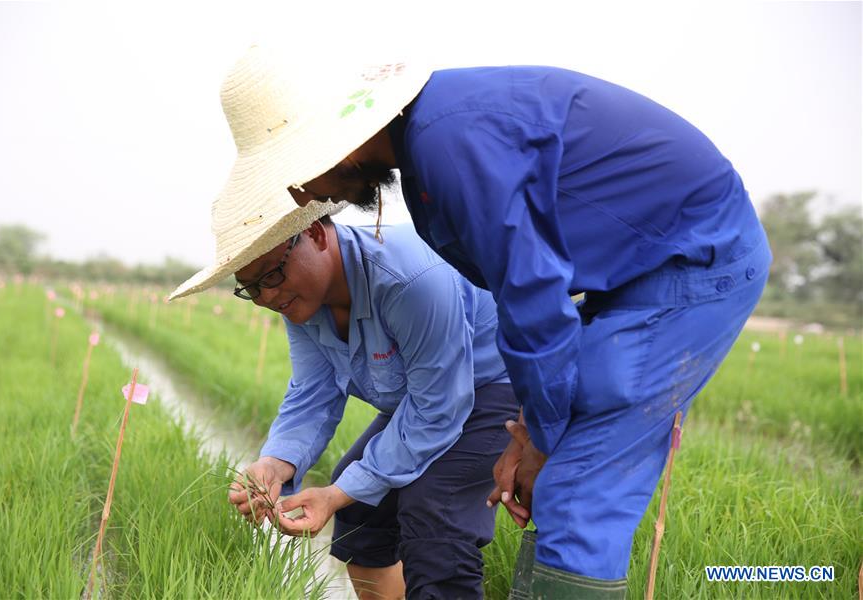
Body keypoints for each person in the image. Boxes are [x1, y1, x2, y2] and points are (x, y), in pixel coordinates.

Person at [170, 46, 772, 598]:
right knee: (379, 516)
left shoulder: (447, 153)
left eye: (295, 177)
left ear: (334, 143)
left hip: (690, 260)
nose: (303, 198)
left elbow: (530, 300)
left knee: (561, 495)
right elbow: (315, 387)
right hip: (625, 280)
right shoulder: (428, 157)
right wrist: (282, 462)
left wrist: (536, 440)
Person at [204, 212, 518, 599]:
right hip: (425, 399)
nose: (267, 297)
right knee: (361, 512)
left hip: (498, 385)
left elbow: (438, 409)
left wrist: (335, 494)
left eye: (271, 275)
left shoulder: (408, 280)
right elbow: (313, 391)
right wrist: (275, 463)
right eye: (250, 288)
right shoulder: (301, 300)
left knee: (434, 510)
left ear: (316, 233)